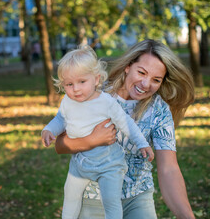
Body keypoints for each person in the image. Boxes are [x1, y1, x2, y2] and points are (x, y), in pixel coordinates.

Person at [50, 39, 195, 218]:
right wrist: (90, 141)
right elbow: (60, 144)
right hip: (94, 198)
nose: (146, 84)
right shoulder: (94, 92)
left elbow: (169, 169)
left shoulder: (158, 110)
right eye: (141, 72)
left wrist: (188, 217)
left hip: (138, 198)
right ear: (128, 66)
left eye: (156, 80)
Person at [41, 46, 154, 219]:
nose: (76, 89)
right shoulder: (67, 102)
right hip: (81, 163)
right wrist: (49, 129)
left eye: (82, 82)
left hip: (109, 164)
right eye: (69, 84)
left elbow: (126, 123)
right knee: (70, 195)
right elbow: (60, 119)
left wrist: (142, 143)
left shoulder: (106, 102)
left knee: (110, 200)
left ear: (96, 79)